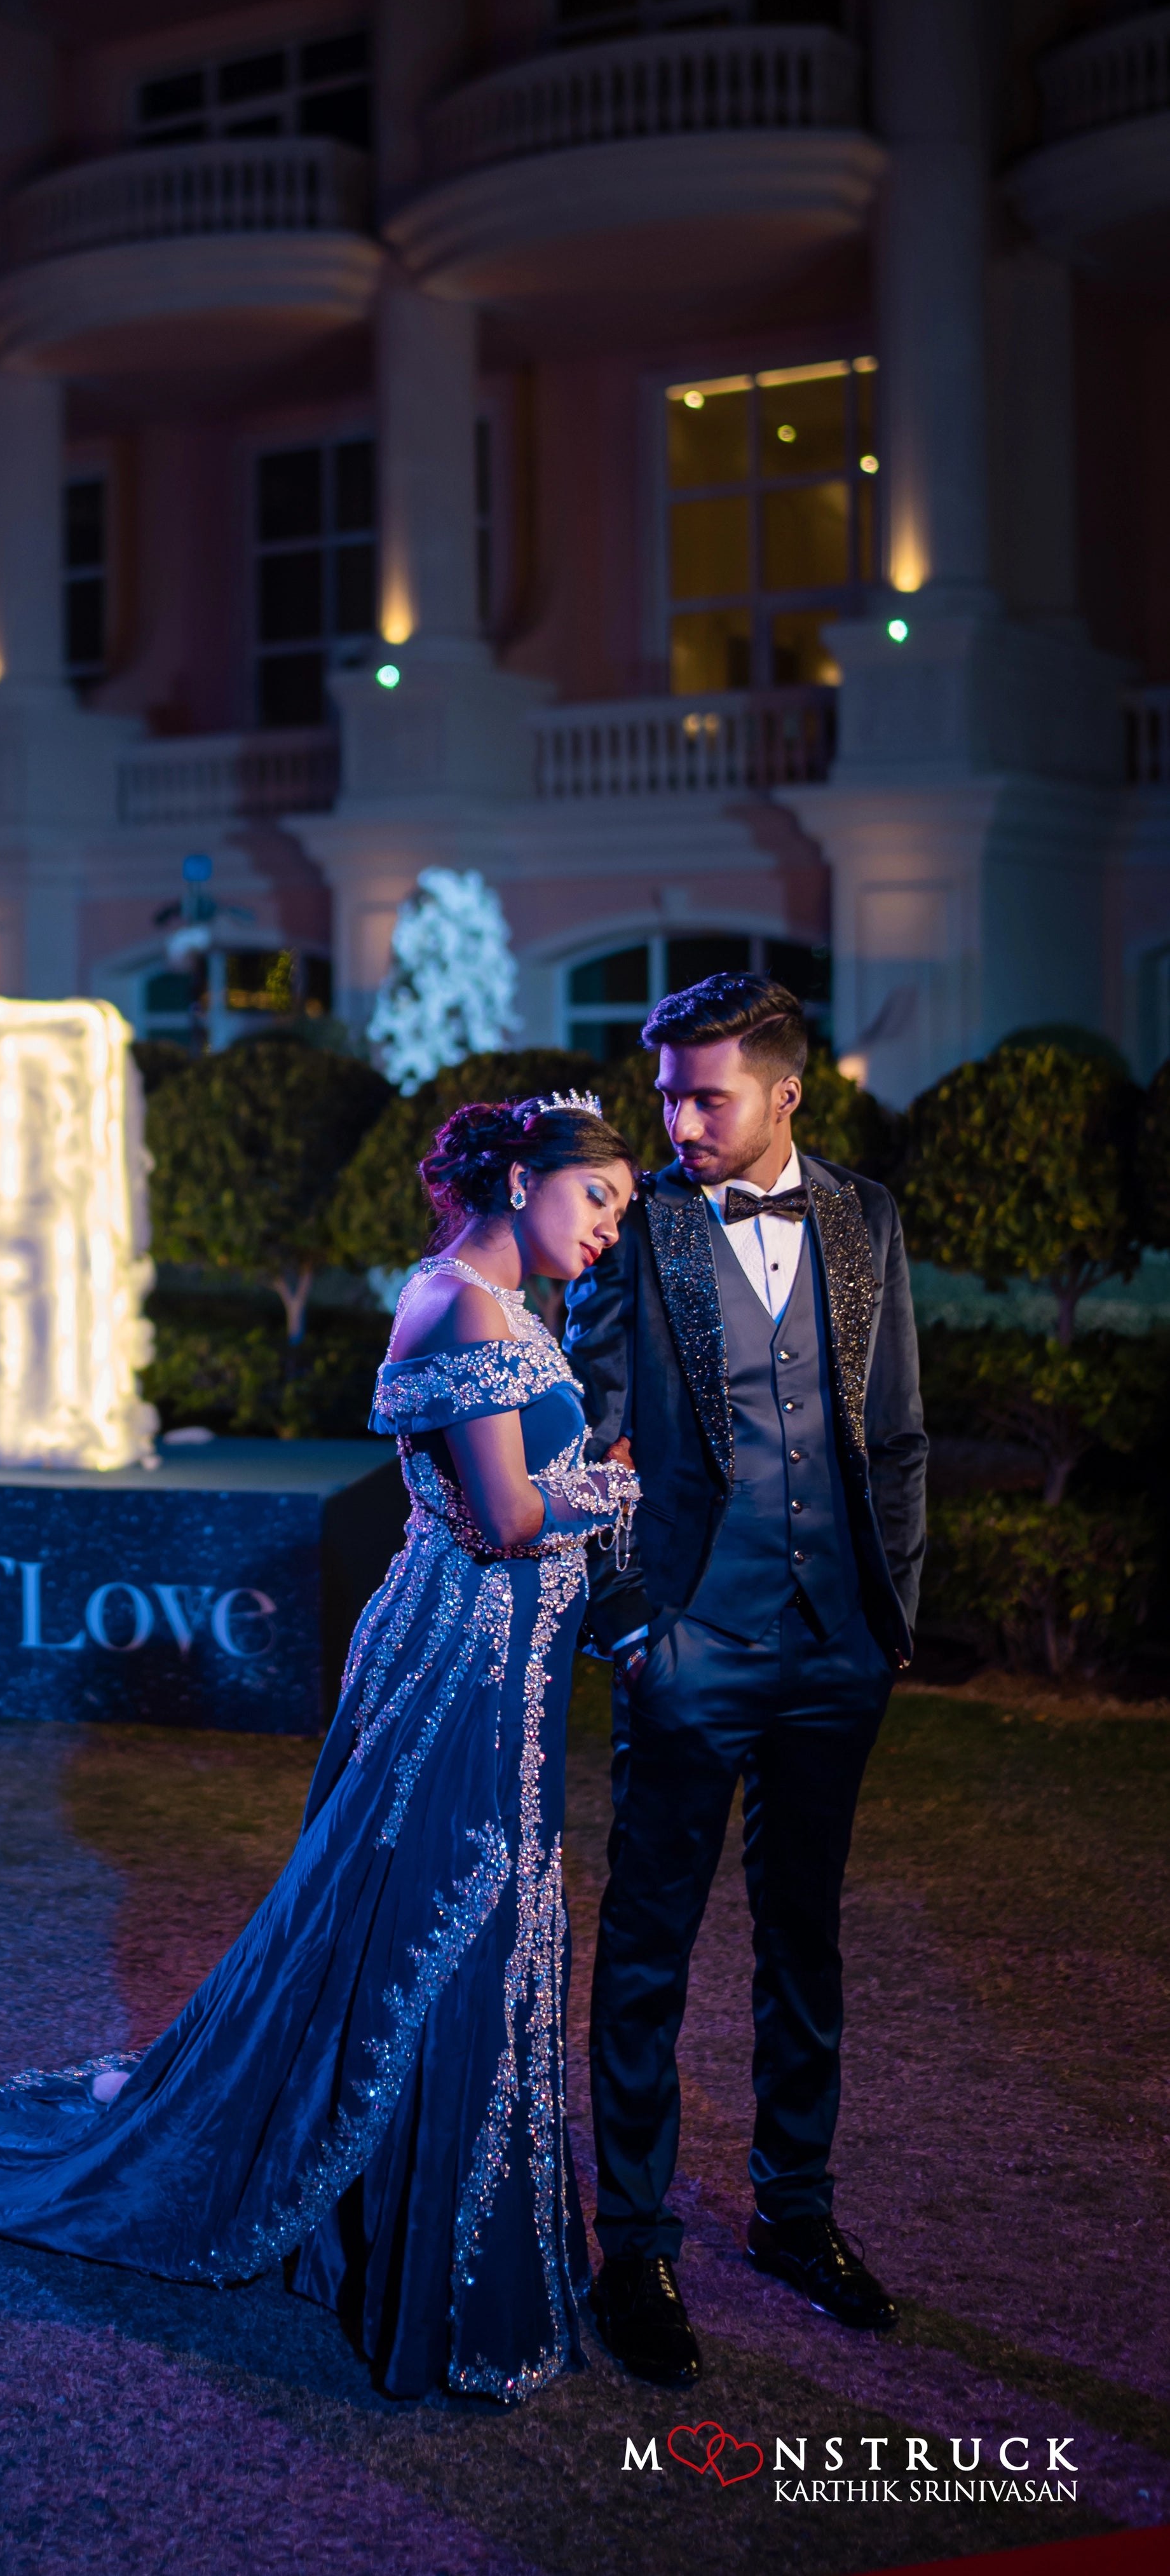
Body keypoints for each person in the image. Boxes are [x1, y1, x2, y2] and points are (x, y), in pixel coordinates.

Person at [0, 1094, 643, 2406]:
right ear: (518, 1178)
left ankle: (404, 2223)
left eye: (619, 1206)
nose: (611, 1229)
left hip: (501, 1659)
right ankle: (407, 2252)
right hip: (456, 1662)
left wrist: (587, 1485)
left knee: (479, 1914)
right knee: (445, 1914)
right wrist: (623, 1483)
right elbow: (506, 1516)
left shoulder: (503, 1309)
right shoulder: (451, 1303)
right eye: (598, 1198)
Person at [564, 972, 927, 2390]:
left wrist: (889, 1618)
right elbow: (588, 1450)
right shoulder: (636, 1230)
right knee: (646, 1949)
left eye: (702, 1092)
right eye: (663, 1091)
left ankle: (795, 2215)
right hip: (688, 1649)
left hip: (835, 1645)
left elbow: (892, 1430)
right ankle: (635, 2241)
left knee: (805, 1944)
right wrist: (632, 1623)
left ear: (783, 1094)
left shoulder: (864, 1215)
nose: (674, 1117)